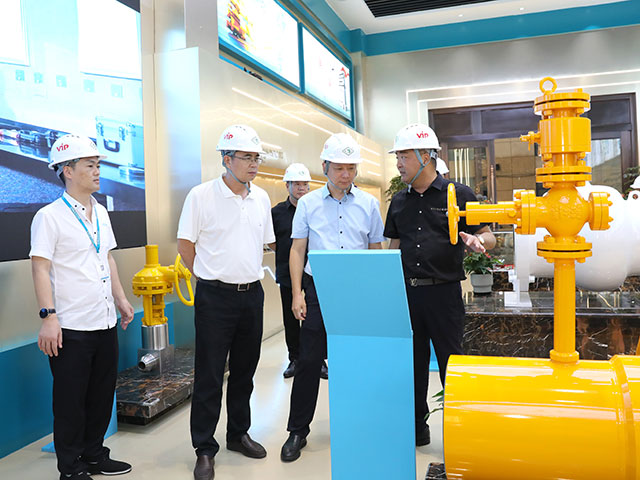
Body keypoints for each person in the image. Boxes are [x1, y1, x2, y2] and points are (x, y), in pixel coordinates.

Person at [384, 124, 495, 447]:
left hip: (444, 294)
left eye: (404, 156)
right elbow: (393, 248)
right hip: (408, 294)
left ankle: (459, 435)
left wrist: (478, 242)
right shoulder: (399, 202)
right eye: (397, 157)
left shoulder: (459, 194)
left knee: (451, 364)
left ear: (426, 156)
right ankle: (417, 429)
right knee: (413, 365)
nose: (399, 164)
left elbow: (488, 235)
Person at [30, 134, 134, 480]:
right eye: (90, 165)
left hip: (103, 320)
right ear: (68, 170)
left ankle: (94, 455)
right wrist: (48, 317)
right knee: (70, 401)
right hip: (71, 327)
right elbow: (40, 268)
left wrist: (121, 299)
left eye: (98, 165)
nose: (97, 171)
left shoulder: (101, 211)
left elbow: (107, 259)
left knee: (101, 396)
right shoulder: (49, 217)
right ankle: (70, 467)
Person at [177, 124, 276, 480]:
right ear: (226, 159)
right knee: (209, 374)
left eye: (256, 158)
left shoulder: (260, 198)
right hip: (214, 297)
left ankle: (238, 434)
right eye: (246, 157)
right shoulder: (201, 196)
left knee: (245, 372)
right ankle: (204, 448)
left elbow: (267, 243)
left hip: (252, 295)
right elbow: (185, 245)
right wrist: (206, 277)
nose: (253, 164)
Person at [280, 133, 385, 462]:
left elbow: (375, 249)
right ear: (325, 166)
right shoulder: (308, 204)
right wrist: (297, 294)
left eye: (351, 168)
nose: (345, 174)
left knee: (355, 360)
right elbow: (297, 250)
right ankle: (298, 431)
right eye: (339, 168)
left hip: (356, 291)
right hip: (318, 289)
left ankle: (358, 425)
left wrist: (374, 294)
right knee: (309, 361)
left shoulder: (368, 204)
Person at [271, 163, 327, 379]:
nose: (301, 188)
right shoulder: (276, 212)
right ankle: (295, 359)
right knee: (291, 319)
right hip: (288, 273)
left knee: (315, 318)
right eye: (297, 184)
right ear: (287, 186)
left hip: (313, 273)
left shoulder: (316, 208)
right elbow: (272, 241)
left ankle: (318, 360)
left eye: (305, 184)